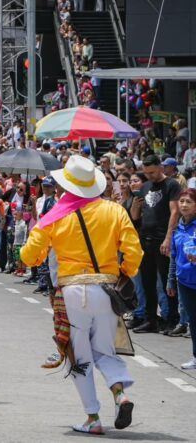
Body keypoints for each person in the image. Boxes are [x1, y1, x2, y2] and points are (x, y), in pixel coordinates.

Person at [20, 155, 143, 434]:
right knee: (105, 350)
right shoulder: (114, 210)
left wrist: (40, 247)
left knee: (79, 355)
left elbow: (29, 257)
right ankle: (120, 394)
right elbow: (134, 252)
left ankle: (92, 417)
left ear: (66, 185)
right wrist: (124, 272)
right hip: (107, 289)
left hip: (72, 291)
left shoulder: (54, 216)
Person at [130, 155, 181, 332]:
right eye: (146, 173)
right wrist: (135, 208)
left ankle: (172, 319)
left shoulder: (172, 185)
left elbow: (174, 213)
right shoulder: (145, 187)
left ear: (160, 167)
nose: (149, 176)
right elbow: (137, 216)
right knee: (147, 282)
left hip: (162, 239)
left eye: (152, 172)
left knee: (167, 281)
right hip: (145, 239)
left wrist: (168, 238)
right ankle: (151, 319)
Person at [166, 188, 196, 367]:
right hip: (184, 282)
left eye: (189, 202)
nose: (184, 205)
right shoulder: (177, 227)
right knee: (193, 321)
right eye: (182, 201)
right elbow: (174, 257)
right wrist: (171, 280)